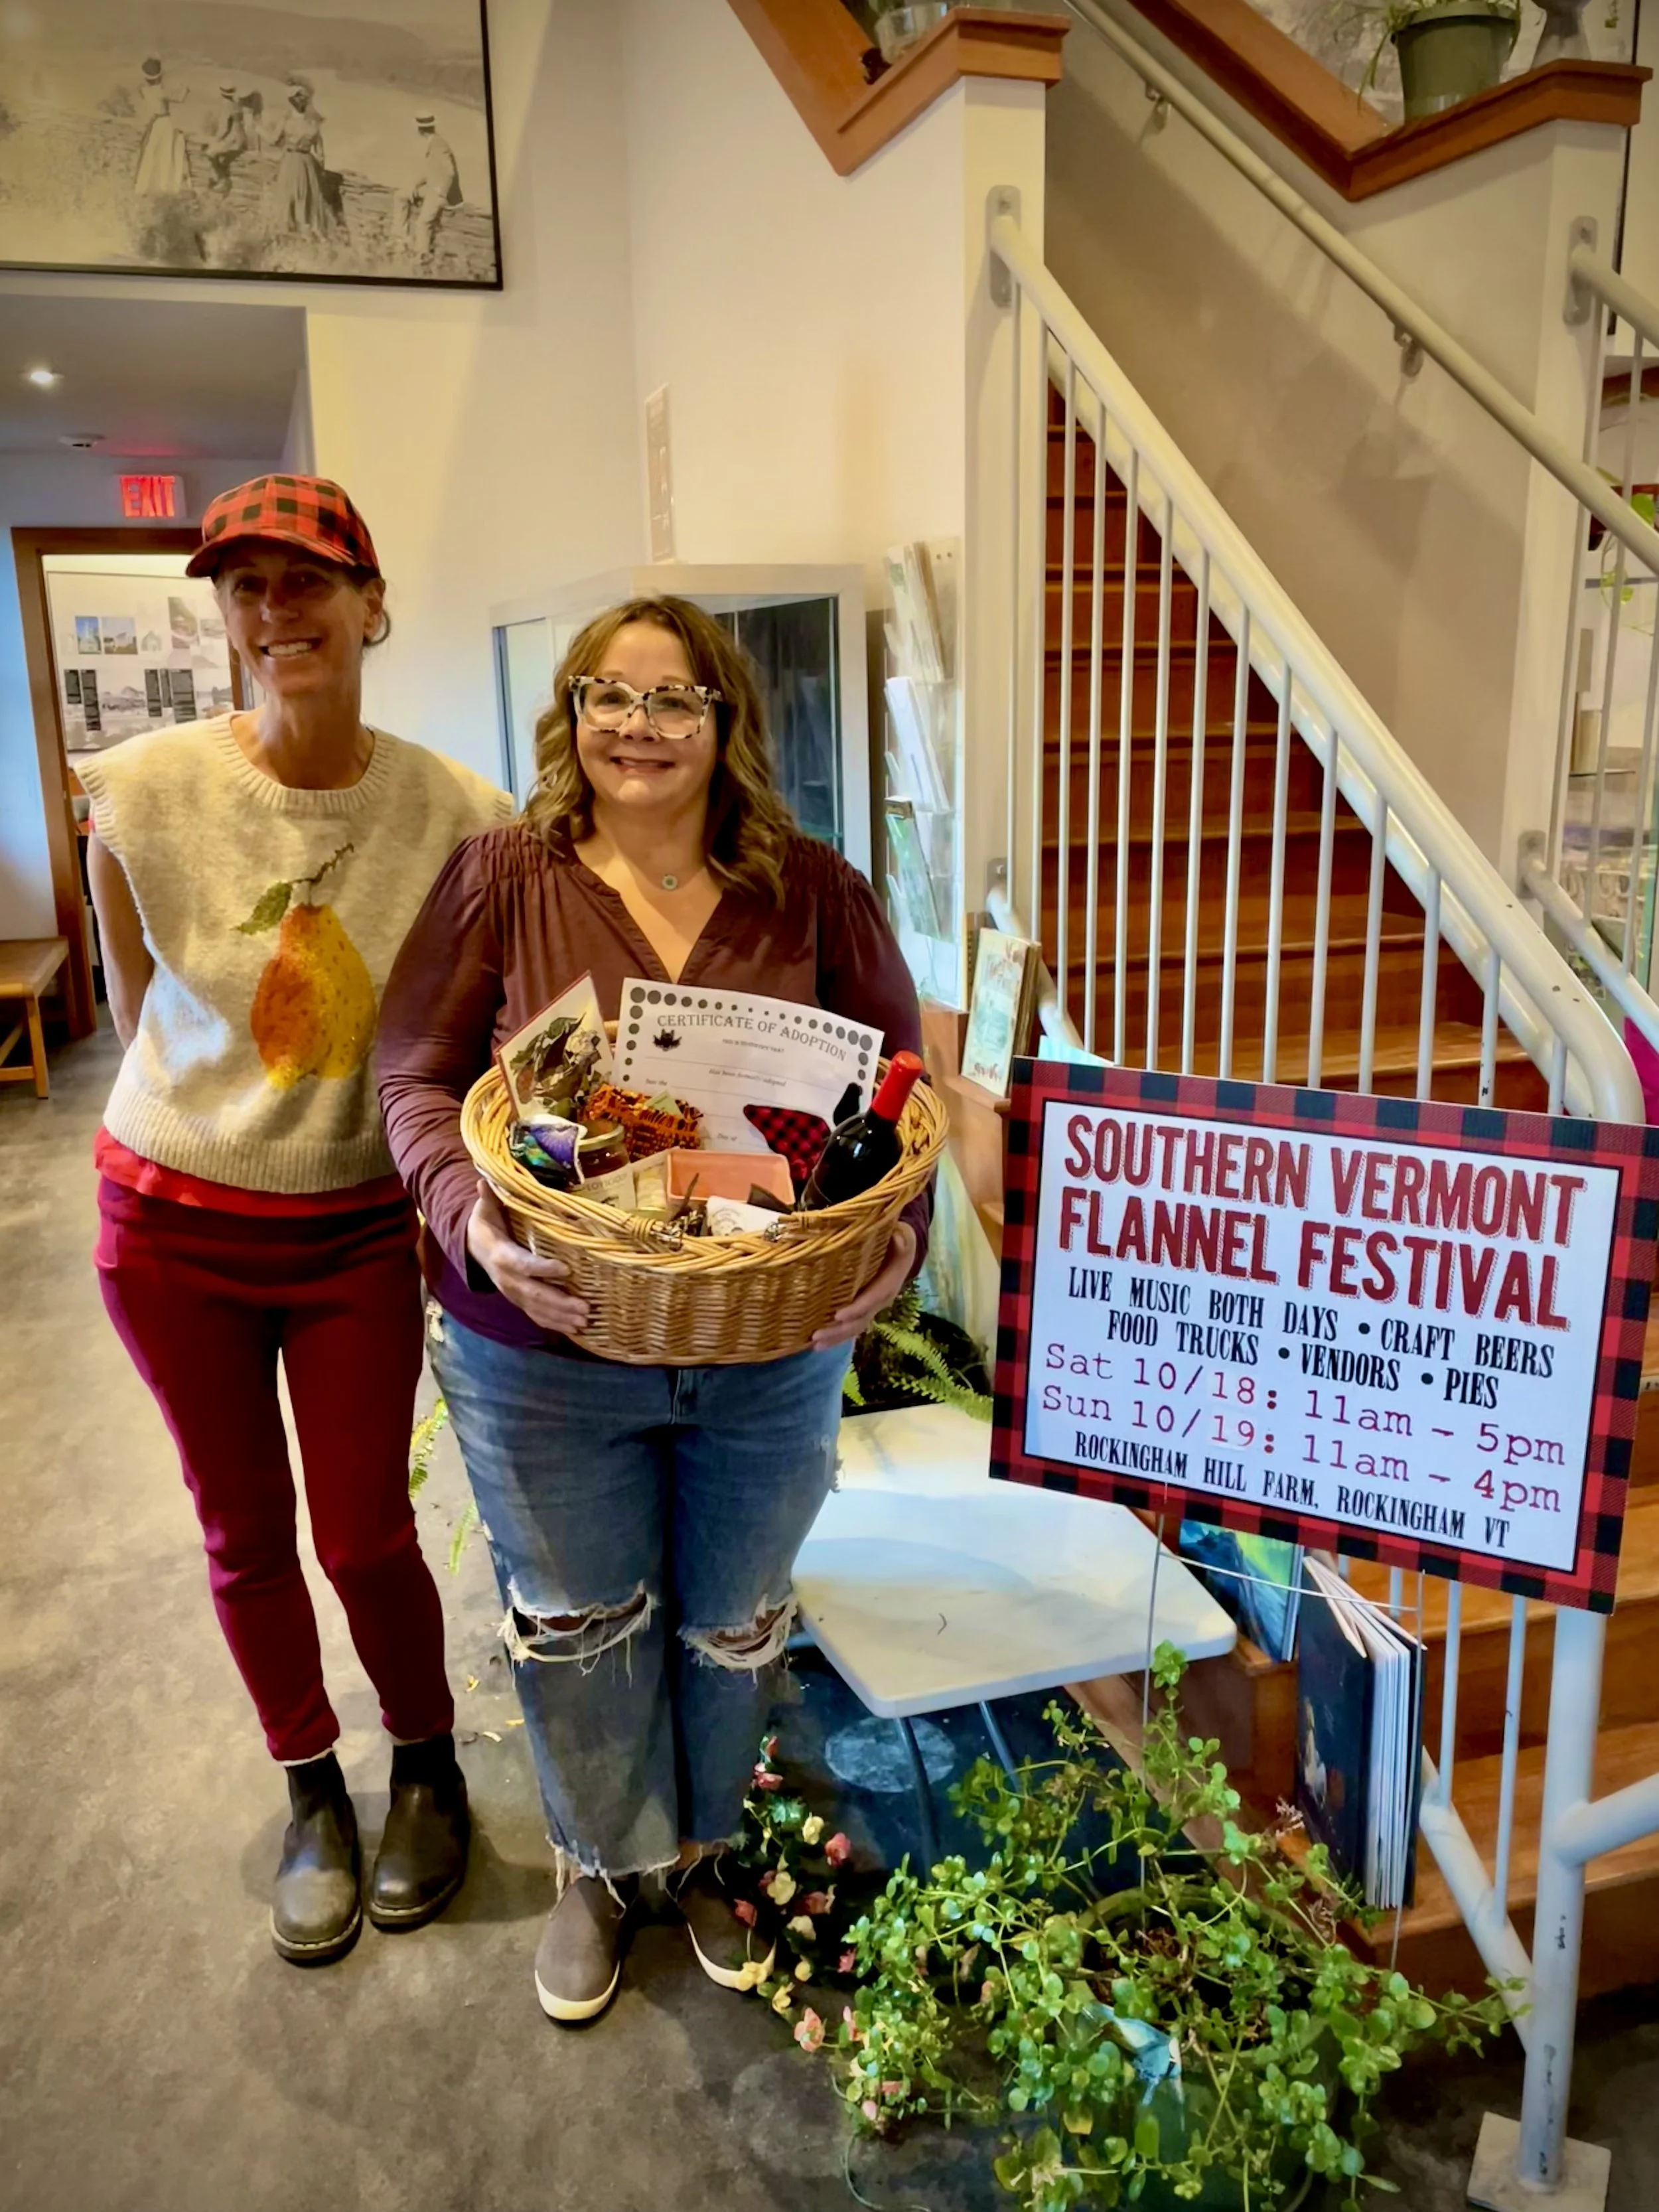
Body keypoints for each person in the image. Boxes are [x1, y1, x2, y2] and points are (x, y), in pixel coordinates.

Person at [377, 596, 928, 2024]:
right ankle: (594, 1860)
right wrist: (471, 1222)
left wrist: (899, 1239)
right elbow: (416, 1079)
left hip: (763, 1351)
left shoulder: (814, 889)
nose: (638, 724)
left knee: (735, 1617)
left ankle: (698, 1849)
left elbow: (898, 1094)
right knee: (574, 1619)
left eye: (674, 698)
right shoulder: (499, 876)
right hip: (538, 1340)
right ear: (571, 715)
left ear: (724, 721)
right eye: (607, 696)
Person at [83, 475, 510, 1966]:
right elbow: (132, 1005)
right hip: (171, 1221)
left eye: (308, 582)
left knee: (367, 1528)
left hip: (347, 1232)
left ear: (370, 604)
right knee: (243, 1531)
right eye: (247, 588)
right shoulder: (139, 788)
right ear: (224, 614)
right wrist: (215, 1115)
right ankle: (309, 1787)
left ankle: (430, 1763)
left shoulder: (461, 811)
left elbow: (471, 1029)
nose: (279, 613)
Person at [267, 84, 335, 244]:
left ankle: (288, 234)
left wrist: (258, 127)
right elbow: (320, 153)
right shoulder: (313, 124)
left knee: (287, 197)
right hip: (307, 164)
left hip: (291, 162)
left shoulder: (286, 121)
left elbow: (273, 140)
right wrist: (320, 172)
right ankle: (303, 234)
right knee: (305, 199)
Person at [401, 111, 461, 263]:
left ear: (420, 130)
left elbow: (450, 172)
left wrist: (441, 193)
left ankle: (422, 256)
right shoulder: (434, 142)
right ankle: (401, 239)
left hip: (439, 193)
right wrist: (415, 185)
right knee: (401, 196)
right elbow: (430, 172)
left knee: (423, 223)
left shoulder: (438, 145)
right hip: (433, 189)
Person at [133, 56, 190, 198]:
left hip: (153, 123)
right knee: (166, 153)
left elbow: (141, 88)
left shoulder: (145, 90)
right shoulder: (162, 92)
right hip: (165, 123)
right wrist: (185, 89)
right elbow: (181, 99)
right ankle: (164, 186)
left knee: (150, 152)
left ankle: (143, 187)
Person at [200, 82, 249, 196]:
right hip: (241, 137)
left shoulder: (227, 106)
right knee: (215, 151)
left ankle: (223, 180)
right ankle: (218, 177)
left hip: (233, 139)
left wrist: (214, 141)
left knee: (209, 153)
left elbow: (224, 129)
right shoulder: (236, 104)